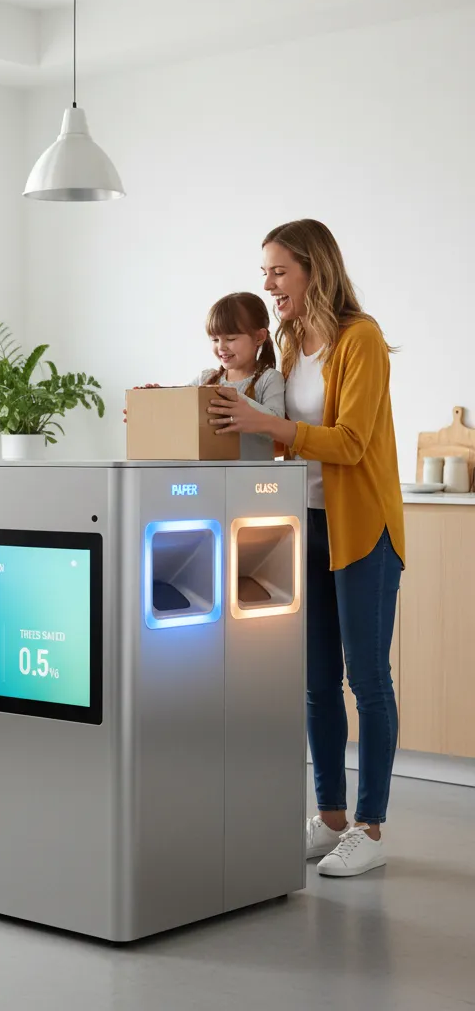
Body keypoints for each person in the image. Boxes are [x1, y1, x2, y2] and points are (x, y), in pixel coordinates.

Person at [208, 219, 405, 878]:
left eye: (278, 271)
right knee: (317, 684)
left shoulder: (363, 340)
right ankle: (329, 818)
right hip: (307, 523)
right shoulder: (290, 342)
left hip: (363, 528)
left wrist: (271, 424)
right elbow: (273, 433)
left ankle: (371, 827)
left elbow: (349, 441)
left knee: (367, 680)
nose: (268, 283)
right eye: (265, 272)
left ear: (313, 270)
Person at [123, 292, 285, 461]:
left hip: (253, 477)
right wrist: (152, 404)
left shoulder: (269, 378)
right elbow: (179, 407)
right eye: (214, 340)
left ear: (259, 337)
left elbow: (277, 427)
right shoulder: (206, 378)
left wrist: (237, 399)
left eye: (230, 338)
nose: (221, 347)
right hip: (210, 475)